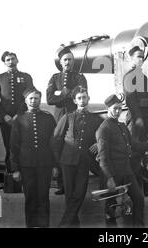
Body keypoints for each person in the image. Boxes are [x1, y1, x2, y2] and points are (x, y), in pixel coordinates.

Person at [96, 94, 148, 227]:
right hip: (114, 174)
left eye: (120, 108)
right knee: (111, 207)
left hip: (127, 171)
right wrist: (109, 178)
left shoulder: (122, 126)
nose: (118, 111)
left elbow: (134, 144)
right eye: (115, 108)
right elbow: (102, 157)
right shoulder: (103, 129)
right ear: (108, 108)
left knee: (138, 199)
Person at [50, 86, 103, 227]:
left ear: (88, 98)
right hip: (67, 161)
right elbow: (56, 139)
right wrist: (58, 162)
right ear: (74, 100)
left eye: (84, 97)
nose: (82, 100)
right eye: (79, 98)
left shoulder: (96, 119)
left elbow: (106, 135)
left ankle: (63, 225)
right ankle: (73, 225)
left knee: (79, 194)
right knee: (69, 196)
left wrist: (99, 144)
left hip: (85, 162)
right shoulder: (67, 117)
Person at [10, 88, 57, 228]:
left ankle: (43, 225)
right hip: (26, 165)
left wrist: (55, 165)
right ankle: (31, 225)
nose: (33, 101)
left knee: (43, 197)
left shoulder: (48, 118)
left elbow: (54, 143)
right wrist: (15, 169)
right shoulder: (19, 119)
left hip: (45, 165)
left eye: (36, 98)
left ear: (40, 100)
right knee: (30, 197)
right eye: (30, 98)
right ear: (25, 100)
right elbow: (14, 145)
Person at [47, 47, 88, 195]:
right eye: (65, 59)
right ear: (60, 61)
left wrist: (62, 94)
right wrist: (68, 93)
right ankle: (61, 184)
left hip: (74, 116)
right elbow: (50, 99)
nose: (68, 62)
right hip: (59, 117)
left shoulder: (79, 77)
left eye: (70, 59)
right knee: (59, 145)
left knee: (74, 146)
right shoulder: (54, 78)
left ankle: (74, 182)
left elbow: (82, 94)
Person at [123, 45, 148, 195]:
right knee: (133, 154)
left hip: (143, 121)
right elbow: (131, 101)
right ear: (131, 58)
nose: (141, 59)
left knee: (140, 155)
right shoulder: (129, 76)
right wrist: (139, 120)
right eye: (138, 56)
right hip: (135, 121)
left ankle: (140, 187)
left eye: (142, 57)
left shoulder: (143, 77)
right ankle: (131, 189)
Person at [0, 51, 34, 172]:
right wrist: (4, 116)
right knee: (9, 147)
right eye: (8, 60)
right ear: (4, 63)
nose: (11, 61)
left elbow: (30, 96)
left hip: (23, 119)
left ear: (17, 60)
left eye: (13, 59)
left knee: (24, 145)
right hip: (6, 121)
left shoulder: (26, 77)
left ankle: (25, 175)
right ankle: (11, 176)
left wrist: (18, 115)